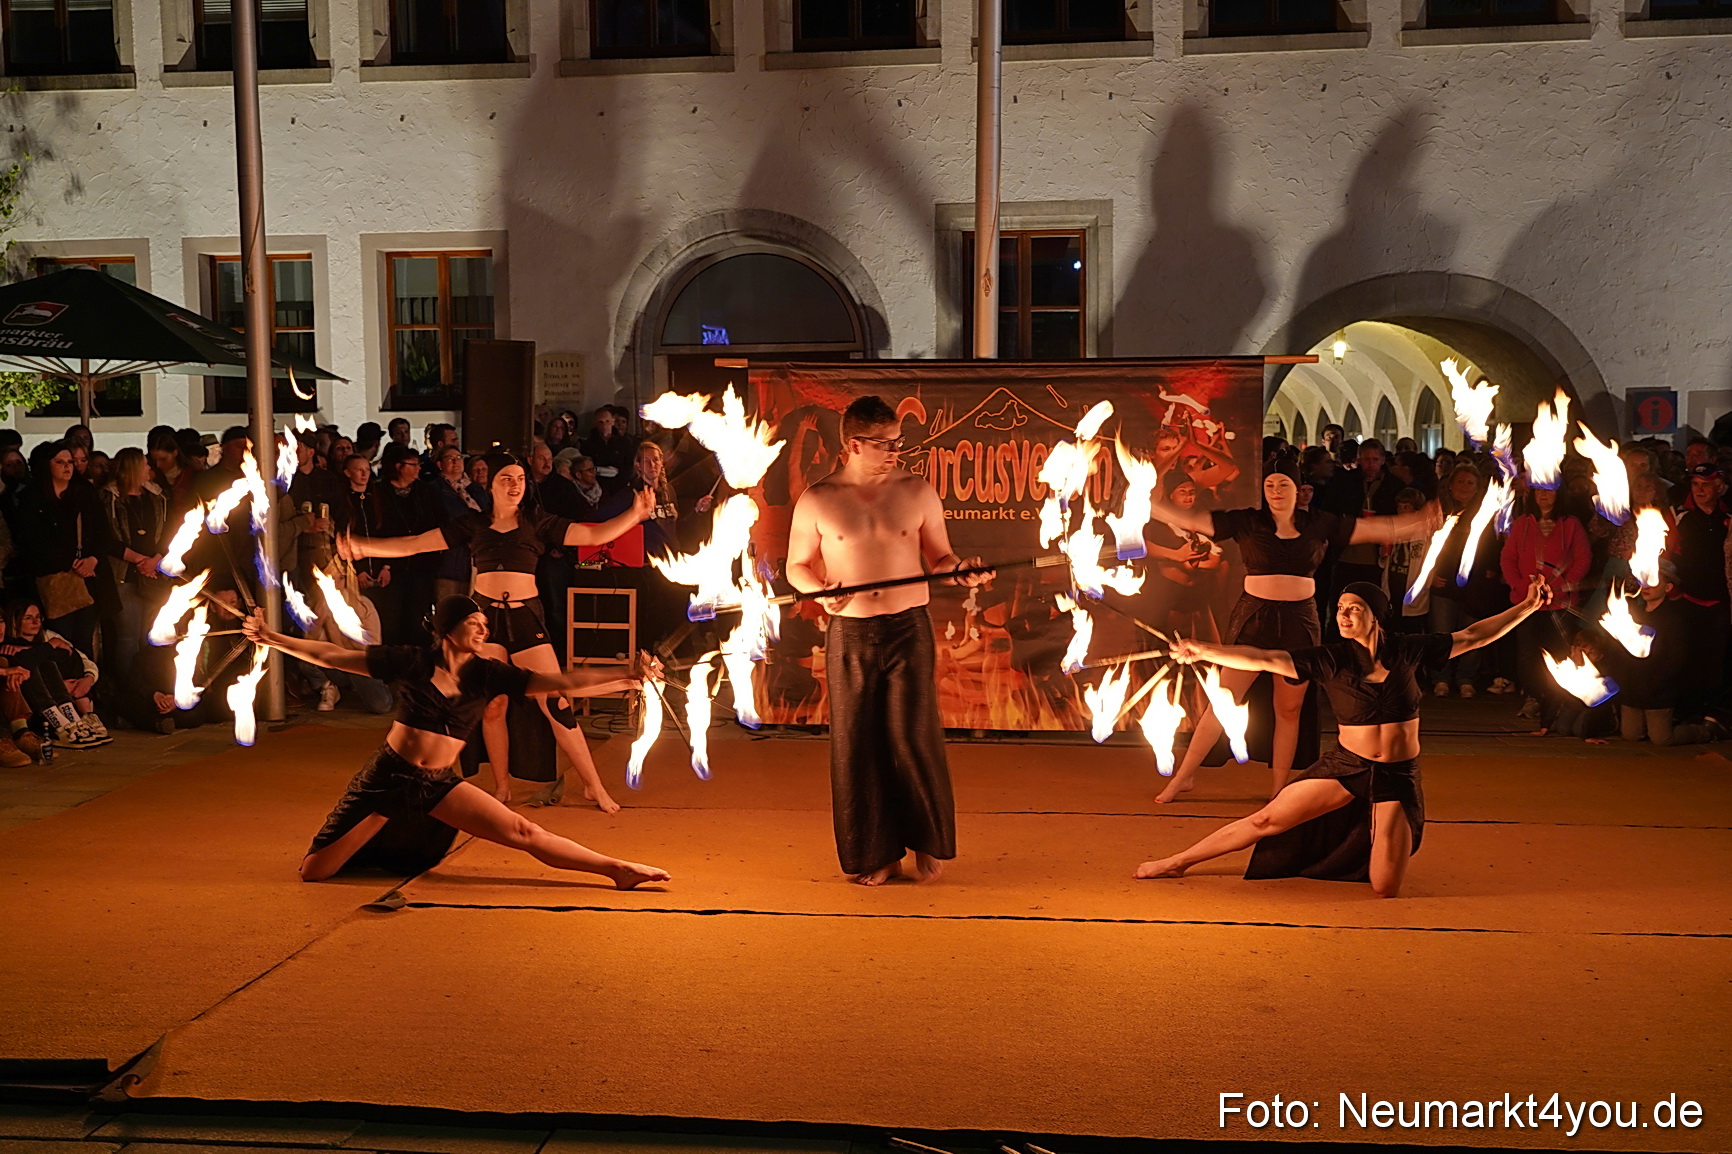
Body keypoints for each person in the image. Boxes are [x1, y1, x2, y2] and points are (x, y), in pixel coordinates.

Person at [1136, 579, 1552, 896]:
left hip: (1395, 776)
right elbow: (1264, 658)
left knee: (1385, 887)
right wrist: (1204, 650)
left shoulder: (1409, 649)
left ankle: (1371, 826)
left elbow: (1474, 635)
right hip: (1347, 767)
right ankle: (1177, 861)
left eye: (1355, 608)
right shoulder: (1330, 658)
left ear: (1376, 615)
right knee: (1266, 819)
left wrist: (1528, 606)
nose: (1345, 615)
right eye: (1340, 608)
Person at [242, 596, 671, 885]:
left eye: (485, 625)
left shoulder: (488, 673)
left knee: (523, 831)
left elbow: (561, 682)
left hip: (436, 784)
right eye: (474, 624)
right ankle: (383, 829)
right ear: (448, 629)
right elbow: (330, 656)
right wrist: (270, 637)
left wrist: (627, 676)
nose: (484, 631)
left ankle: (616, 869)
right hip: (387, 779)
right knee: (314, 872)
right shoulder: (411, 661)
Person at [340, 452, 655, 813]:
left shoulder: (538, 521)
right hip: (483, 620)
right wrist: (364, 547)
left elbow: (593, 534)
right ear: (491, 484)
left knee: (556, 703)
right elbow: (415, 543)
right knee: (493, 706)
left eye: (520, 479)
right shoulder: (472, 524)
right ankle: (502, 787)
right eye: (506, 478)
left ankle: (593, 786)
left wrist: (634, 514)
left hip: (525, 619)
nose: (514, 485)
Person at [786, 395, 992, 886]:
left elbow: (940, 557)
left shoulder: (917, 491)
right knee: (857, 743)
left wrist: (959, 571)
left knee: (911, 734)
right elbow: (797, 566)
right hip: (851, 631)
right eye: (884, 444)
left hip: (907, 627)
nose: (896, 451)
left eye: (899, 442)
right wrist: (821, 592)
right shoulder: (818, 499)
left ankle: (926, 842)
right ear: (854, 444)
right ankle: (875, 855)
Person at [1142, 466, 1439, 803]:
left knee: (1288, 709)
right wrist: (1143, 500)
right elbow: (1194, 522)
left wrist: (1420, 521)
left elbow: (1375, 528)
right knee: (1223, 700)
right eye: (1269, 484)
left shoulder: (1319, 522)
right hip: (1254, 618)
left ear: (1300, 490)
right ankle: (1183, 777)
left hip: (1300, 620)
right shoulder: (1248, 520)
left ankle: (1278, 787)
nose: (1276, 490)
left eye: (1284, 484)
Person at [1500, 484, 1590, 717]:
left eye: (1549, 490)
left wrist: (1560, 587)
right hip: (1526, 603)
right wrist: (1520, 586)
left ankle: (1557, 702)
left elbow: (1582, 558)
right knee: (1528, 655)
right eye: (1538, 489)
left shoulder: (1570, 524)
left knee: (1559, 652)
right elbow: (1508, 557)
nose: (1543, 494)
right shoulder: (1522, 523)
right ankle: (1534, 697)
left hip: (1560, 603)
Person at [97, 447, 170, 689]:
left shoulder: (156, 497)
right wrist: (139, 560)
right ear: (132, 469)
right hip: (124, 574)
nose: (149, 468)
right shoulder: (109, 499)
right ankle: (129, 692)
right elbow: (106, 538)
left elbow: (167, 531)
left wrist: (155, 559)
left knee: (148, 636)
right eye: (144, 464)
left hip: (153, 574)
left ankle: (148, 688)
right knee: (128, 637)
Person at [0, 600, 111, 747]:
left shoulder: (48, 636)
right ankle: (59, 724)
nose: (35, 622)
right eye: (28, 618)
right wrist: (49, 647)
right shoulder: (8, 647)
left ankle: (76, 720)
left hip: (68, 694)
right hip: (35, 708)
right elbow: (23, 661)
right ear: (14, 621)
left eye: (38, 617)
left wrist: (88, 678)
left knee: (50, 662)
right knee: (28, 665)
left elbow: (77, 657)